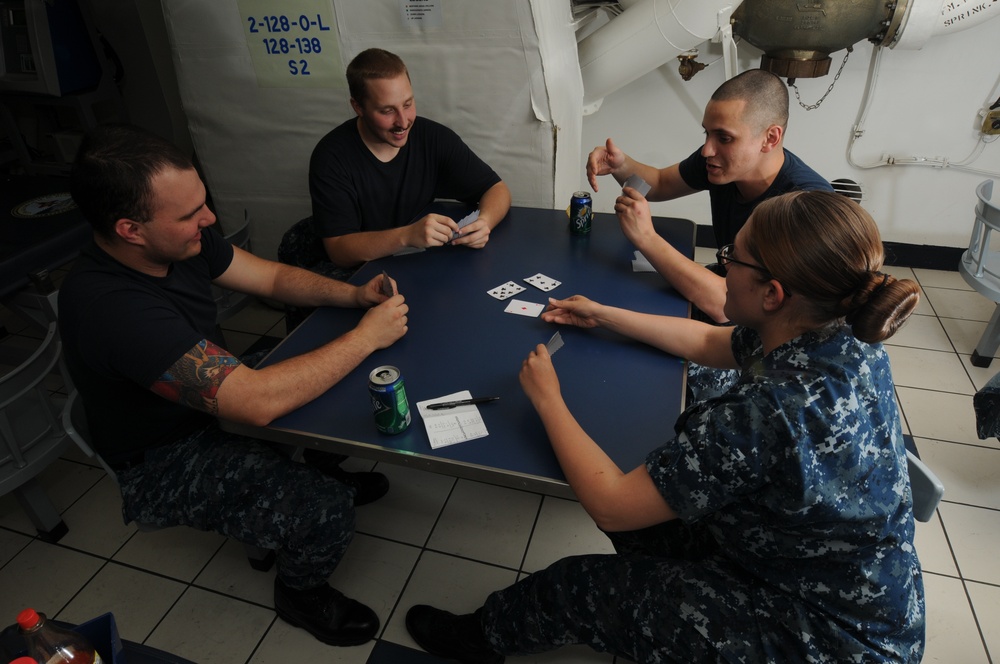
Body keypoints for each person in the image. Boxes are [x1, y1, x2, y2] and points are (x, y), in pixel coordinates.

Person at [405, 191, 925, 663]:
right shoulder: (834, 333)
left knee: (576, 586)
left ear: (773, 293)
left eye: (733, 258)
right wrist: (604, 314)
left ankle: (480, 640)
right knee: (646, 518)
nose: (724, 266)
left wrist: (547, 399)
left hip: (824, 636)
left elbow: (610, 503)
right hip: (817, 571)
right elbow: (709, 344)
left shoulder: (768, 411)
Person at [59, 124, 409, 647]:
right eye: (190, 214)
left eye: (203, 203)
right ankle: (300, 593)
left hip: (212, 399)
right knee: (323, 508)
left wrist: (354, 296)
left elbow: (268, 277)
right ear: (131, 229)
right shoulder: (112, 309)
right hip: (164, 453)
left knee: (332, 374)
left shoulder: (178, 242)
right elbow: (257, 402)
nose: (210, 219)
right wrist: (366, 338)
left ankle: (322, 466)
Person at [587, 68, 832, 324]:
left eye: (724, 138)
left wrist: (646, 237)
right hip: (732, 295)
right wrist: (620, 165)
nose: (707, 150)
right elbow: (659, 183)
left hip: (771, 335)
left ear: (770, 138)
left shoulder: (804, 208)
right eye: (707, 133)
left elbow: (722, 304)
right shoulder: (722, 165)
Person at [308, 47, 512, 269]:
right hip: (366, 274)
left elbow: (496, 188)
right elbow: (338, 250)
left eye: (407, 104)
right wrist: (406, 236)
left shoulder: (433, 137)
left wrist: (484, 223)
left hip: (421, 266)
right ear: (358, 107)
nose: (403, 122)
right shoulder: (331, 158)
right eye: (387, 111)